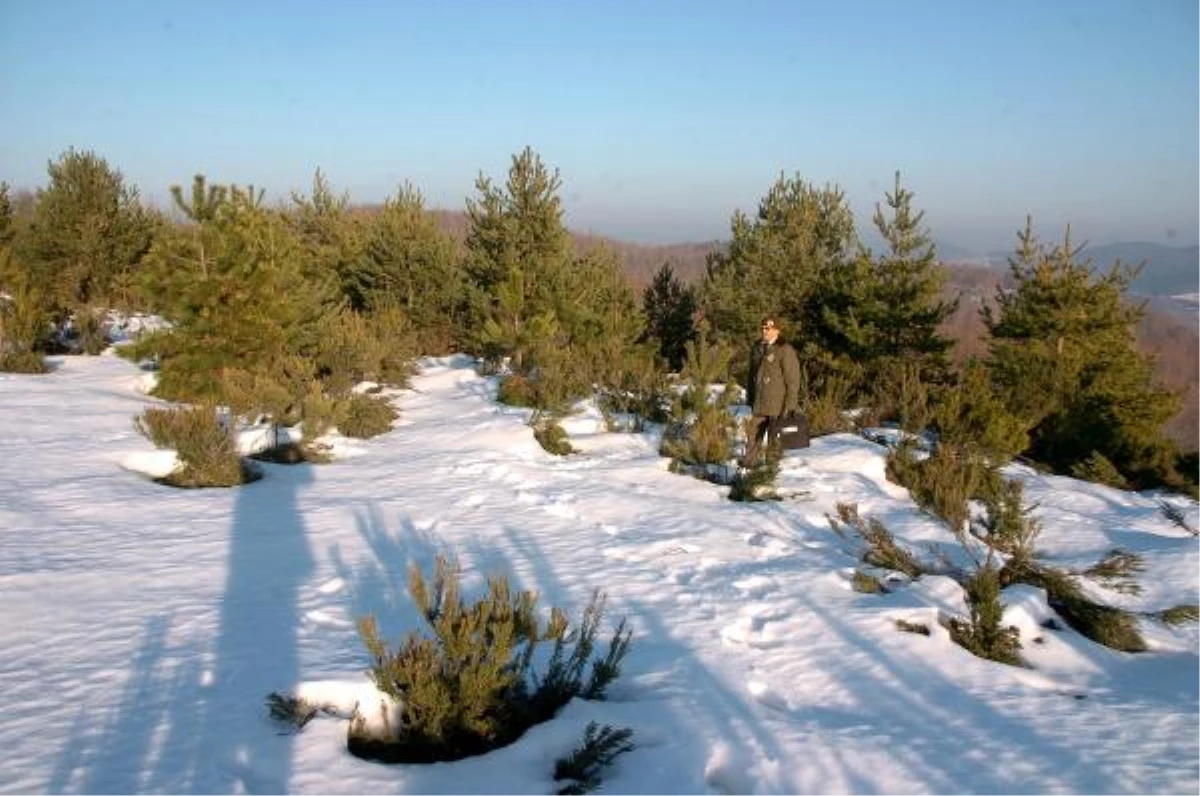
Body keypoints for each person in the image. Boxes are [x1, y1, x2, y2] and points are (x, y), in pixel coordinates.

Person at [741, 316, 800, 467]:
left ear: (777, 331)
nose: (764, 331)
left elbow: (793, 380)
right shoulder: (757, 347)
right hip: (759, 403)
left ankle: (771, 473)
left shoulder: (784, 349)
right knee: (752, 438)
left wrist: (790, 405)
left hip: (778, 406)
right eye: (762, 328)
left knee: (774, 443)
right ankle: (749, 469)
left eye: (768, 328)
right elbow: (751, 375)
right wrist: (750, 398)